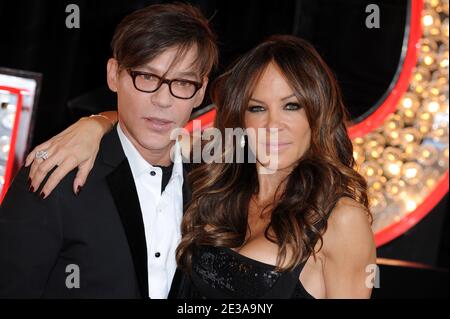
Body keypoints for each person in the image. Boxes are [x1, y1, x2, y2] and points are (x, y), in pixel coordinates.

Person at [21, 36, 376, 299]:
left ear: (318, 114)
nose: (273, 125)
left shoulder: (340, 219)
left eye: (292, 106)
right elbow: (150, 131)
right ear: (239, 117)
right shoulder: (215, 172)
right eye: (257, 108)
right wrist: (95, 124)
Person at [0, 3, 218, 298]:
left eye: (182, 82)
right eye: (147, 77)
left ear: (201, 91)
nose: (163, 100)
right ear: (114, 74)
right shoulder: (57, 175)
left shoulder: (213, 189)